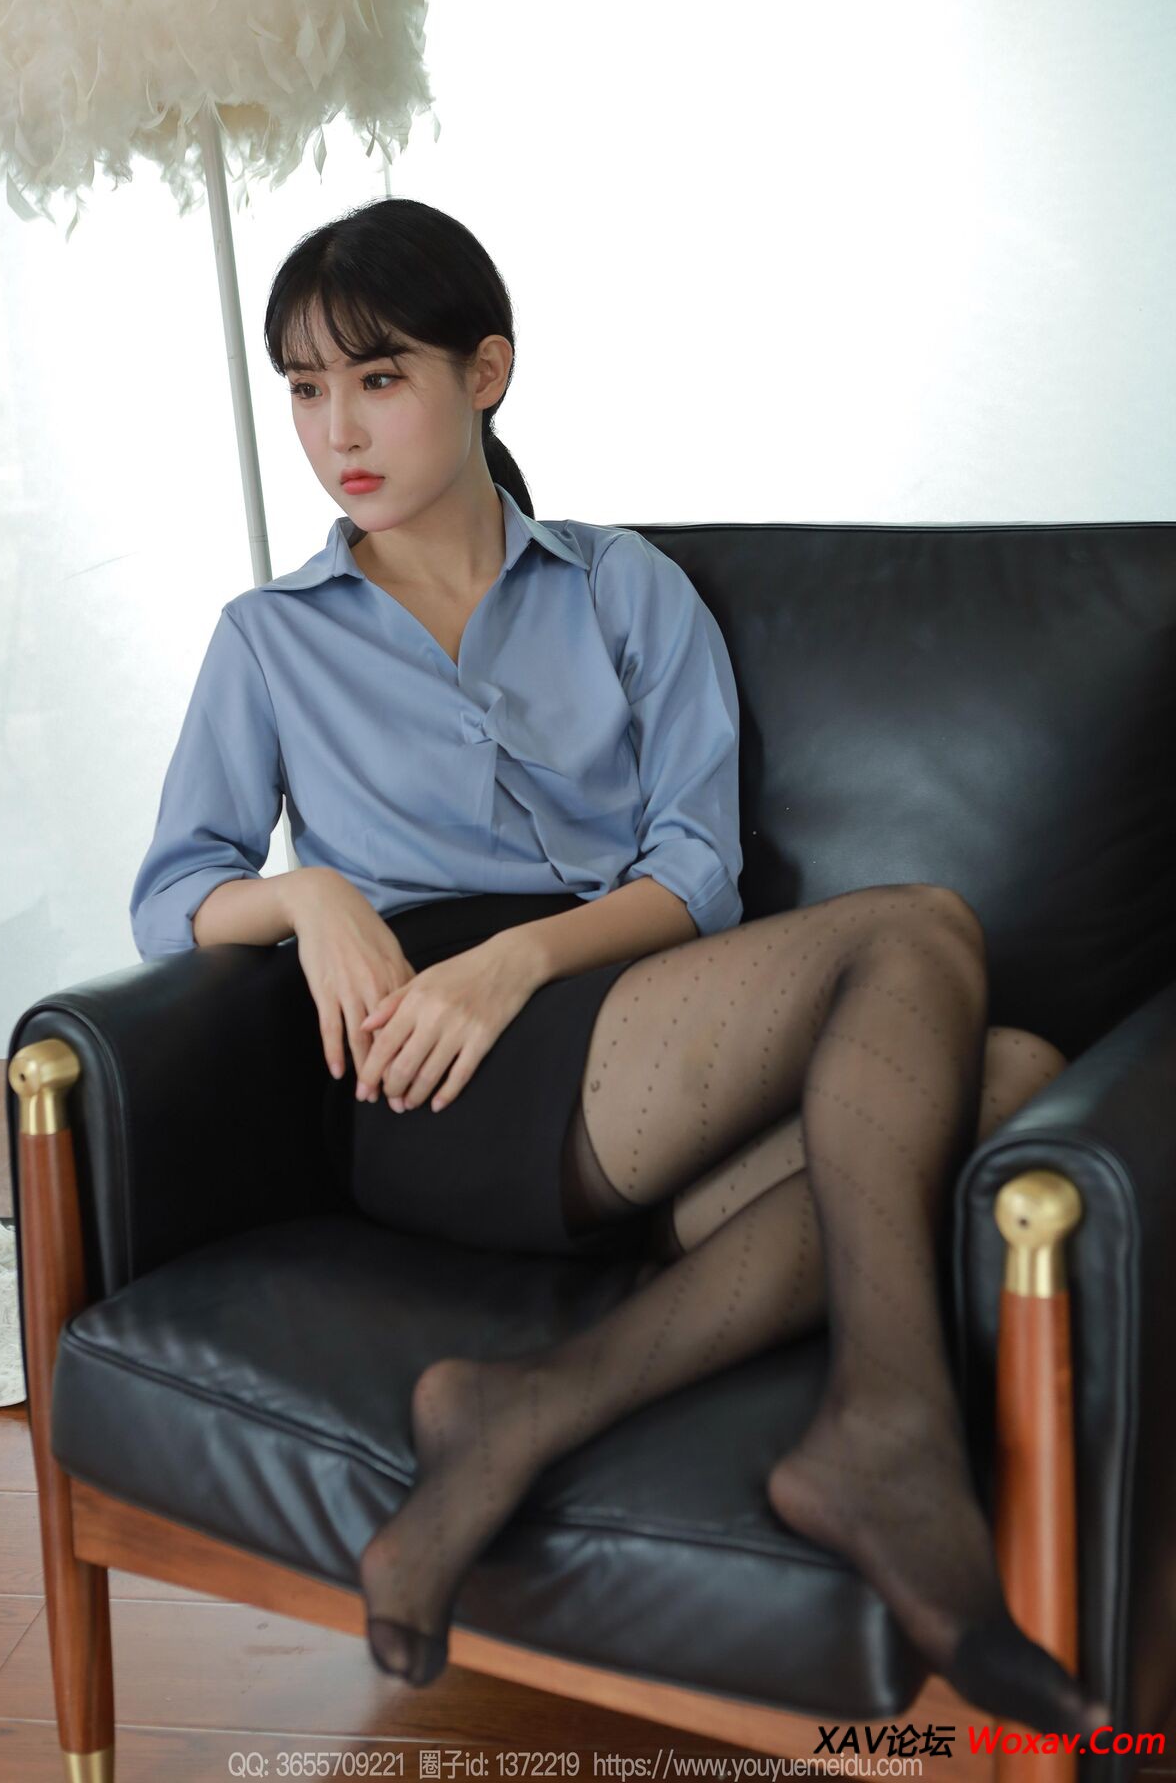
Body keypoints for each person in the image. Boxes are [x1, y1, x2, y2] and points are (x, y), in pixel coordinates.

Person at [128, 195, 1110, 1738]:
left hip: (611, 1030)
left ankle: (529, 1407)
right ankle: (889, 1436)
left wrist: (519, 959)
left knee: (1011, 1080)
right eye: (305, 390)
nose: (337, 432)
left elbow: (695, 872)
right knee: (918, 926)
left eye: (378, 378)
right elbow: (174, 895)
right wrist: (309, 894)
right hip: (428, 1071)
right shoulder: (270, 639)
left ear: (486, 372)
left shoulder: (621, 586)